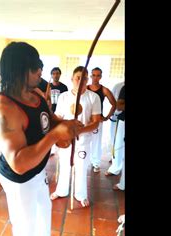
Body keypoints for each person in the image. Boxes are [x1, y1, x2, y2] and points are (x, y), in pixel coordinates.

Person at [0, 42, 83, 236]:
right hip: (20, 179)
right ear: (19, 70)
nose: (41, 71)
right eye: (34, 67)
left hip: (38, 171)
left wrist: (64, 124)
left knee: (43, 210)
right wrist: (54, 136)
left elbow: (47, 120)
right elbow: (18, 163)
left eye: (40, 66)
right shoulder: (4, 107)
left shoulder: (37, 94)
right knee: (24, 223)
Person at [50, 66, 102, 207]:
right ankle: (61, 191)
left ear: (87, 80)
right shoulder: (64, 97)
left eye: (85, 78)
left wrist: (80, 130)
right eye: (78, 77)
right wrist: (52, 114)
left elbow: (96, 122)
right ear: (72, 79)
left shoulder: (93, 97)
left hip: (83, 140)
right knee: (65, 165)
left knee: (81, 167)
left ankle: (81, 194)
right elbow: (58, 117)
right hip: (65, 139)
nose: (81, 80)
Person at [87, 67, 117, 173]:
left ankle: (96, 163)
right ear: (90, 76)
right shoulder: (85, 89)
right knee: (85, 140)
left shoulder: (104, 90)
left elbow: (114, 104)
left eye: (98, 75)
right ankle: (85, 160)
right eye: (93, 75)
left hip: (97, 120)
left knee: (96, 142)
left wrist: (107, 117)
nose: (95, 77)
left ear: (101, 77)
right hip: (86, 120)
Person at [107, 85, 125, 178]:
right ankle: (116, 168)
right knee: (118, 145)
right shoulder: (123, 87)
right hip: (123, 120)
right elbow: (119, 106)